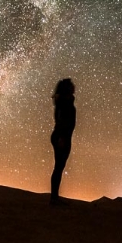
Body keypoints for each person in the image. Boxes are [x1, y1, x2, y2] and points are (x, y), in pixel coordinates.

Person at [49, 78, 76, 206]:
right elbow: (61, 120)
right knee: (59, 167)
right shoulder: (64, 102)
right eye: (71, 85)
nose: (74, 86)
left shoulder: (65, 101)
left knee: (59, 167)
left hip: (63, 136)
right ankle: (54, 198)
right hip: (62, 136)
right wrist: (62, 138)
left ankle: (54, 197)